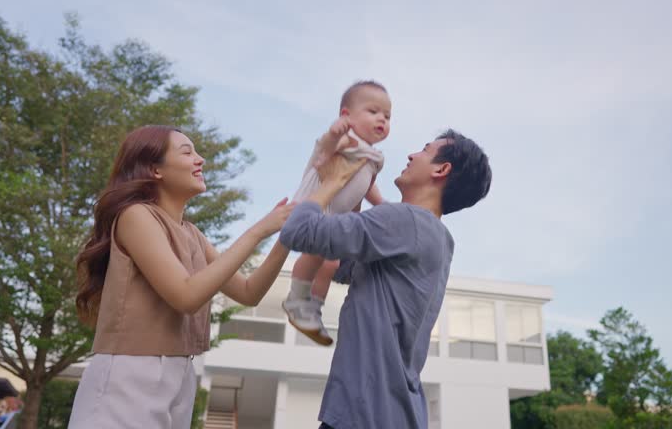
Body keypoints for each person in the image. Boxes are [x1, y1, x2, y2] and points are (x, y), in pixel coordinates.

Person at [69, 125, 294, 428]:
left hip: (181, 372)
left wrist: (287, 237)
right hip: (130, 371)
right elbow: (185, 295)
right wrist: (259, 230)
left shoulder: (193, 234)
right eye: (187, 152)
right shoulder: (136, 215)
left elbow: (248, 292)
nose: (200, 160)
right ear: (155, 169)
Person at [279, 129, 492, 428]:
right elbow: (345, 268)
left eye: (425, 150)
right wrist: (354, 193)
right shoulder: (436, 237)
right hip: (387, 412)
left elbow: (297, 232)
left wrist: (332, 180)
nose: (411, 154)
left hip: (363, 413)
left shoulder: (405, 220)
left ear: (441, 170)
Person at [282, 80, 391, 345]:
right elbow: (325, 149)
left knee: (330, 263)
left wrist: (382, 206)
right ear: (346, 116)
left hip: (337, 216)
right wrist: (334, 133)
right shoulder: (345, 139)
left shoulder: (375, 157)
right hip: (315, 206)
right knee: (317, 254)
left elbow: (367, 186)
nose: (382, 119)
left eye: (387, 116)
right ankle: (296, 299)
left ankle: (312, 310)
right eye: (373, 111)